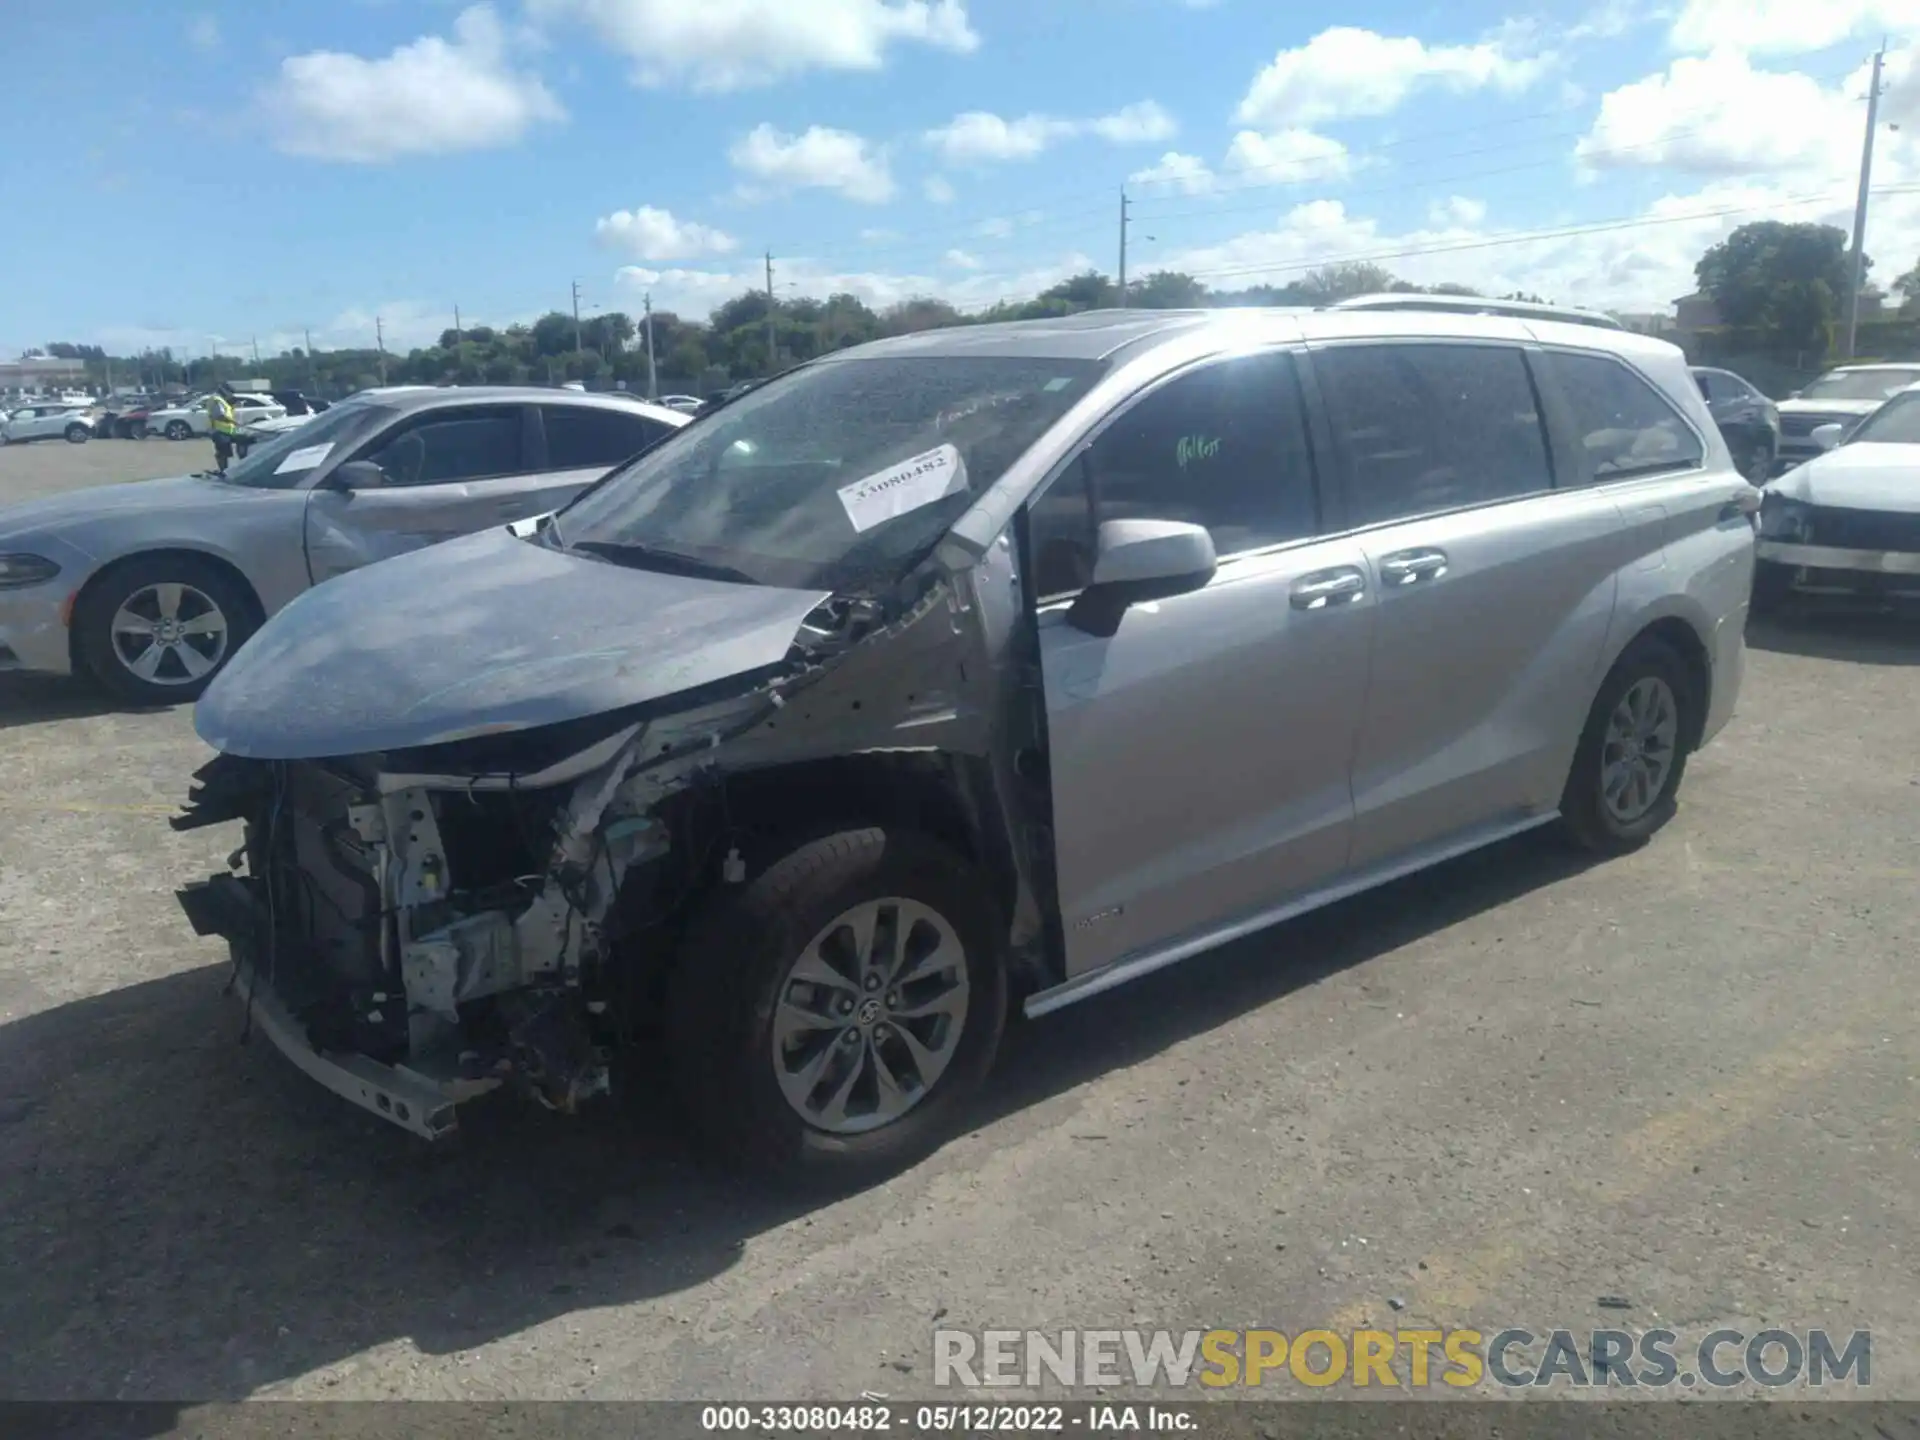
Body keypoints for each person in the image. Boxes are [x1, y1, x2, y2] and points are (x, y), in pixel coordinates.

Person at [206, 383, 239, 474]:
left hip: (225, 431)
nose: (231, 395)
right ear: (225, 390)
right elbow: (219, 415)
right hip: (219, 431)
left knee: (224, 453)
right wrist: (232, 421)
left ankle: (224, 471)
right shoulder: (217, 400)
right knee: (222, 454)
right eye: (230, 392)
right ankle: (223, 472)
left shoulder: (222, 400)